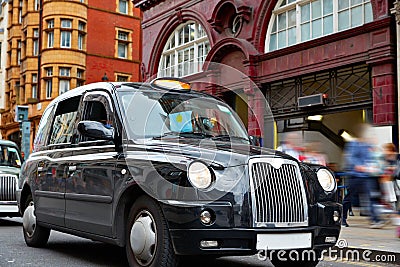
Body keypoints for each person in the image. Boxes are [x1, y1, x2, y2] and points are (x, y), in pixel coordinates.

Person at [341, 123, 384, 228]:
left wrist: (373, 166)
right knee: (348, 198)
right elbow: (350, 158)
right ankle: (342, 218)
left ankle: (375, 220)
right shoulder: (353, 144)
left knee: (370, 196)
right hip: (354, 176)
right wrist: (358, 166)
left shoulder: (368, 146)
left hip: (366, 176)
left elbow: (371, 158)